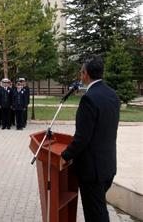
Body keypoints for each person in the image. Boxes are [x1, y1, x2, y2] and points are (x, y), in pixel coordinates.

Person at [61, 55, 120, 222]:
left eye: (81, 72)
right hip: (108, 167)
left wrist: (65, 155)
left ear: (85, 73)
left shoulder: (89, 98)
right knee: (99, 209)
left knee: (96, 215)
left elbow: (82, 138)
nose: (80, 76)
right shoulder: (112, 94)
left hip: (92, 171)